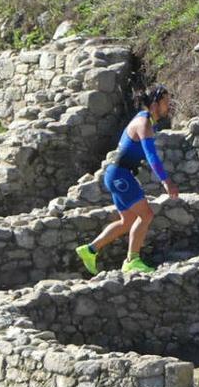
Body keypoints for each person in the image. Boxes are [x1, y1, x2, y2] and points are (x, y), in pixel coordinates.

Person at [75, 84, 179, 275]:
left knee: (128, 220)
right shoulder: (144, 123)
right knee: (146, 215)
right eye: (165, 102)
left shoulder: (142, 120)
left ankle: (90, 250)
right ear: (155, 104)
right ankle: (132, 261)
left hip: (117, 175)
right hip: (120, 175)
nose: (168, 105)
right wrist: (166, 181)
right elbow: (152, 156)